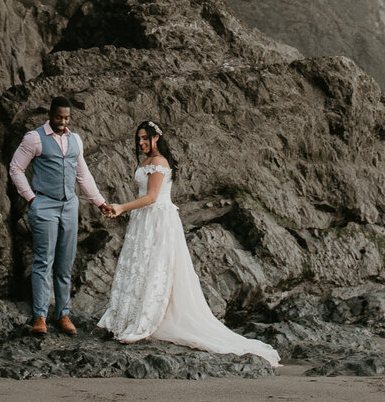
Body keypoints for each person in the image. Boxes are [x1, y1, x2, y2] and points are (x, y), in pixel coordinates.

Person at [96, 120, 278, 364]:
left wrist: (122, 207)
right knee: (140, 266)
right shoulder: (147, 162)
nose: (140, 143)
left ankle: (149, 316)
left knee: (154, 268)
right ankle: (131, 314)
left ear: (156, 137)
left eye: (144, 138)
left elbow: (151, 197)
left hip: (157, 220)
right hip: (145, 220)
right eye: (138, 139)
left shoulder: (159, 163)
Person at [5, 96, 110, 336]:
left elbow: (83, 175)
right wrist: (31, 198)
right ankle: (40, 317)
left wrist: (100, 202)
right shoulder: (34, 138)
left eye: (66, 118)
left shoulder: (75, 140)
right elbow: (16, 168)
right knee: (43, 260)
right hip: (44, 206)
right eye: (59, 117)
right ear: (50, 115)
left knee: (66, 262)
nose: (63, 122)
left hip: (70, 206)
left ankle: (63, 314)